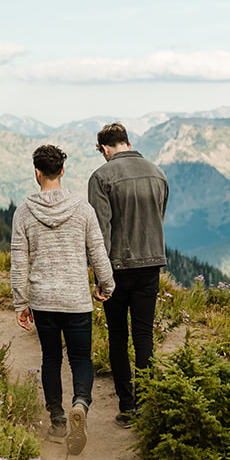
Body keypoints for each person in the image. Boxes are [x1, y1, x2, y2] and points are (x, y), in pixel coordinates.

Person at [9, 143, 114, 455]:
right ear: (62, 171)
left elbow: (19, 262)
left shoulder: (24, 212)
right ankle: (80, 403)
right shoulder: (83, 209)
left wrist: (20, 302)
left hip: (43, 300)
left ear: (37, 173)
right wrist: (105, 285)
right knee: (81, 359)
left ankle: (57, 420)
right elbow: (97, 251)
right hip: (76, 299)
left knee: (51, 359)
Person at [86, 122, 169, 424]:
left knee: (119, 337)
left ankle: (126, 406)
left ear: (105, 149)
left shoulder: (101, 177)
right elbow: (159, 216)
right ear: (127, 142)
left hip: (117, 268)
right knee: (144, 335)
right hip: (151, 264)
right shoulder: (157, 173)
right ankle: (146, 403)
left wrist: (100, 277)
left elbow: (100, 231)